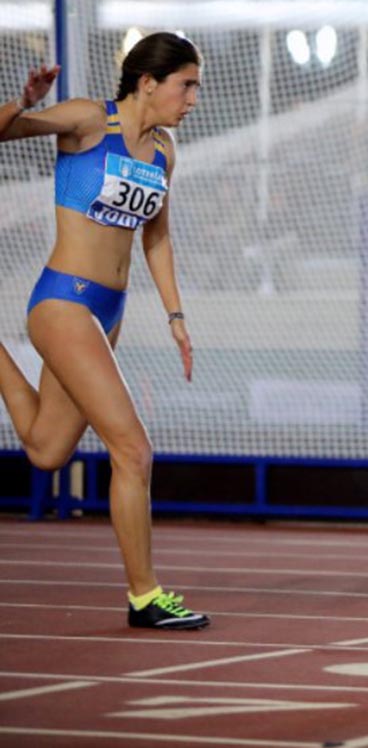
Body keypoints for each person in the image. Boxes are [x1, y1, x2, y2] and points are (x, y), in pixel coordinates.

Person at [0, 33, 209, 629]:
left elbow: (156, 237)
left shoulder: (164, 151)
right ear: (148, 82)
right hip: (64, 303)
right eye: (185, 85)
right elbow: (4, 132)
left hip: (108, 313)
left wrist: (176, 316)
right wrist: (23, 100)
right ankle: (145, 595)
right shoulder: (91, 119)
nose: (192, 99)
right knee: (133, 449)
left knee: (46, 449)